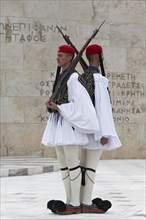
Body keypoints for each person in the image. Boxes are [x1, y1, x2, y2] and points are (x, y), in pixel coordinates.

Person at [41, 45, 102, 215]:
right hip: (60, 125)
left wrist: (60, 107)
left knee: (72, 164)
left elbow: (80, 105)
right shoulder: (63, 76)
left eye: (61, 55)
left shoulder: (74, 78)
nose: (58, 58)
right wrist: (52, 105)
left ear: (70, 58)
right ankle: (69, 200)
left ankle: (76, 203)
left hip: (69, 126)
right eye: (57, 55)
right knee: (63, 165)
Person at [78, 44, 122, 213]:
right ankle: (87, 202)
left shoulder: (82, 78)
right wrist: (104, 133)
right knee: (90, 168)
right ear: (97, 57)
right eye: (102, 55)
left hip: (83, 131)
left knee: (81, 167)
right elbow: (102, 109)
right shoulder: (98, 80)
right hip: (96, 133)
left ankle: (79, 199)